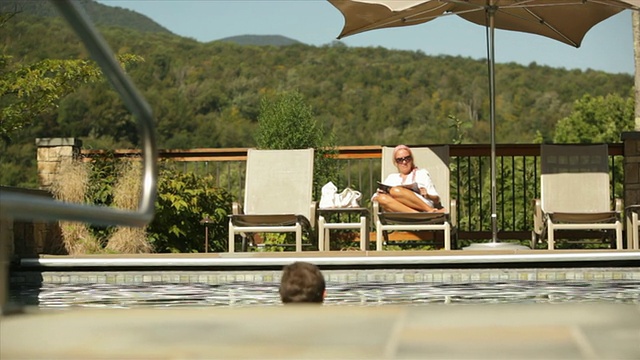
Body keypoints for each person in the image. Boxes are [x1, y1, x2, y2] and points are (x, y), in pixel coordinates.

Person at [373, 144, 445, 213]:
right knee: (381, 198)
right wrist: (381, 193)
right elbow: (375, 198)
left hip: (422, 207)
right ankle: (417, 214)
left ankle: (429, 210)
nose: (404, 162)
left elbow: (436, 200)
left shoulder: (421, 174)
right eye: (400, 160)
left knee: (395, 190)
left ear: (412, 159)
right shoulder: (392, 177)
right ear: (396, 163)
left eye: (407, 158)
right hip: (401, 211)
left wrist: (428, 195)